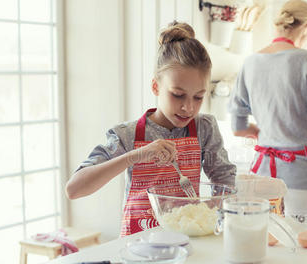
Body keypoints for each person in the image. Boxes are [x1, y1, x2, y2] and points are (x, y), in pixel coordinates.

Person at [66, 22, 236, 236]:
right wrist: (135, 156)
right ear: (156, 86)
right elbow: (74, 189)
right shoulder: (126, 135)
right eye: (177, 94)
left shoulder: (204, 128)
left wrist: (208, 215)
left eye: (199, 97)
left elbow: (225, 181)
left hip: (187, 244)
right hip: (138, 248)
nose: (189, 107)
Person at [228, 0, 307, 219]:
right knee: (303, 241)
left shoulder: (251, 62)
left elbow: (238, 127)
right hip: (299, 175)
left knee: (265, 241)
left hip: (260, 176)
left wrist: (265, 132)